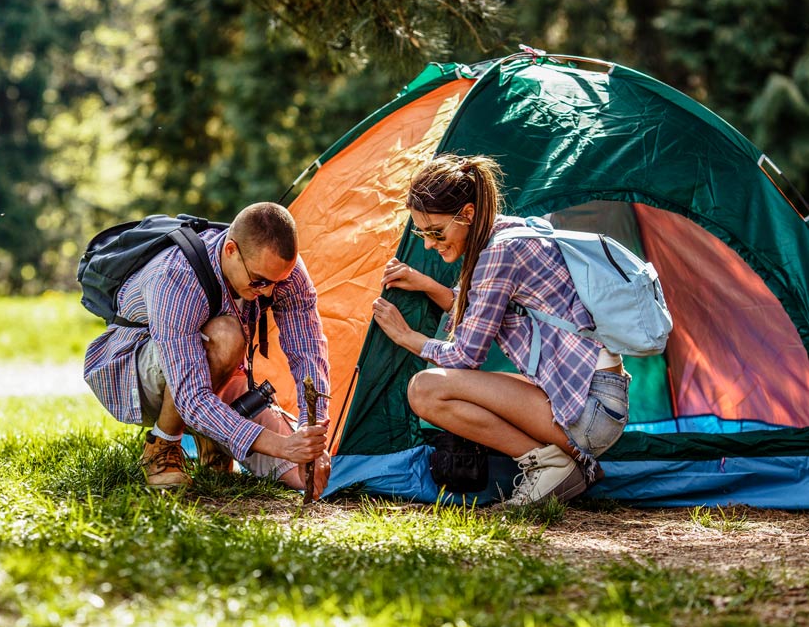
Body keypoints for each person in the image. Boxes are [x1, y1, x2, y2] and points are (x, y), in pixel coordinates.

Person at [371, 154, 630, 506]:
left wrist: (407, 337)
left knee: (425, 390)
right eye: (422, 232)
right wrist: (428, 285)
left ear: (467, 214)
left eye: (436, 231)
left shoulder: (499, 254)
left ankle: (549, 465)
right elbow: (481, 311)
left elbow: (467, 355)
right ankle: (570, 462)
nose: (429, 243)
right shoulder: (509, 233)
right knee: (468, 385)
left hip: (591, 410)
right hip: (597, 398)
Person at [84, 202, 331, 498]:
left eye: (276, 283)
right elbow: (191, 396)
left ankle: (212, 439)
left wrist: (311, 430)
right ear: (230, 251)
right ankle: (161, 448)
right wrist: (281, 446)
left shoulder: (281, 274)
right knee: (226, 336)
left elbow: (308, 352)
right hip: (137, 373)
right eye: (260, 281)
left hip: (214, 376)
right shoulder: (176, 277)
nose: (268, 292)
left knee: (310, 478)